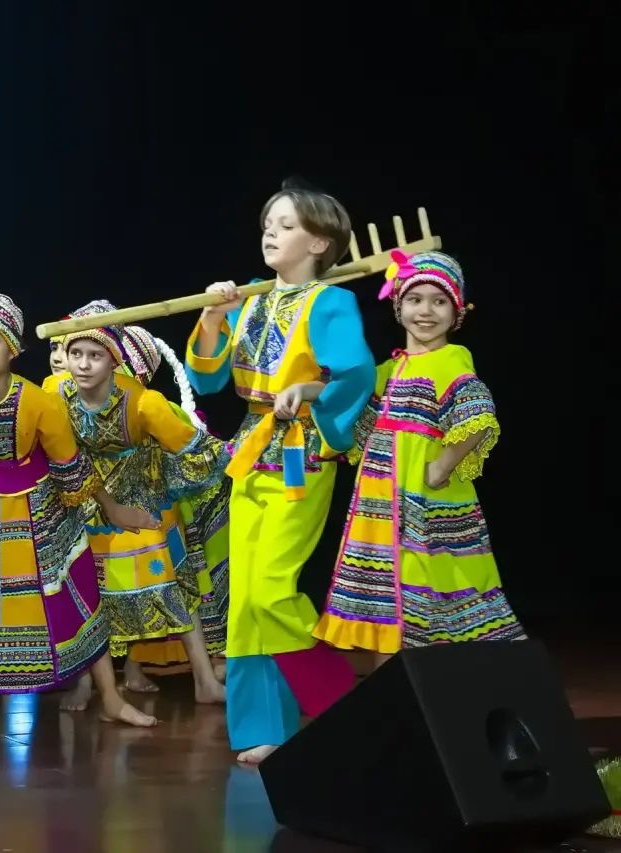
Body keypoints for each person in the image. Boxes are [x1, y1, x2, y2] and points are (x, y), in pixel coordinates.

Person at [186, 181, 376, 764]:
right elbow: (209, 380)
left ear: (319, 242)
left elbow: (354, 374)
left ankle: (343, 704)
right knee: (245, 599)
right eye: (268, 224)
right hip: (252, 449)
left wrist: (311, 389)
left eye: (287, 225)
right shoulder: (252, 300)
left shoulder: (330, 302)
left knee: (271, 589)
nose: (271, 233)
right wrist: (213, 319)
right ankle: (265, 728)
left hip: (301, 451)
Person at [0, 294, 157, 726]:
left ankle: (110, 697)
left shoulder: (39, 402)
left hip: (30, 505)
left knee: (74, 589)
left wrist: (113, 508)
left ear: (13, 349)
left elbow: (70, 465)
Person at [313, 250, 523, 660]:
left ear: (457, 311)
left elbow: (478, 414)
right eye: (415, 299)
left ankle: (455, 675)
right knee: (386, 584)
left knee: (433, 574)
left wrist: (442, 465)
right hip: (380, 499)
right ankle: (392, 681)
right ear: (398, 306)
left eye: (439, 301)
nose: (425, 311)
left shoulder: (452, 359)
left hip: (424, 496)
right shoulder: (387, 370)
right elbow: (351, 410)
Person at [57, 301, 229, 706]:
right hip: (88, 500)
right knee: (89, 591)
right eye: (76, 353)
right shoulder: (57, 395)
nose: (83, 364)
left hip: (145, 499)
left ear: (114, 361)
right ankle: (87, 683)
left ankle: (204, 680)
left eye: (95, 355)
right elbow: (64, 456)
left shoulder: (143, 403)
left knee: (170, 585)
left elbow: (196, 449)